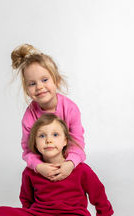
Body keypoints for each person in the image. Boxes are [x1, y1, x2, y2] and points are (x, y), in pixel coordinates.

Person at [11, 44, 85, 181]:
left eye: (44, 80)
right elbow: (28, 151)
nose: (39, 87)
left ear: (56, 81)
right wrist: (39, 166)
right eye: (32, 84)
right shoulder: (29, 116)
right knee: (28, 175)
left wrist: (70, 164)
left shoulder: (70, 109)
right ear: (27, 89)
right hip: (44, 169)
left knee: (84, 172)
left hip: (68, 165)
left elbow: (78, 144)